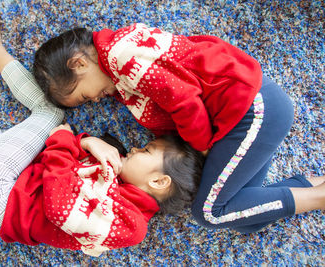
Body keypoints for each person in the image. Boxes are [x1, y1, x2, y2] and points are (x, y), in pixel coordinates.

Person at [0, 4, 204, 256]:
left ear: (158, 181)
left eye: (146, 150)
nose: (134, 148)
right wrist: (87, 142)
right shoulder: (118, 185)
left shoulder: (131, 225)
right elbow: (70, 173)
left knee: (52, 115)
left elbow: (59, 205)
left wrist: (65, 140)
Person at [32, 23, 325, 233]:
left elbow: (184, 100)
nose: (95, 99)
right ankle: (316, 185)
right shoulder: (121, 76)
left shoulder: (123, 55)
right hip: (243, 118)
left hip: (250, 109)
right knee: (247, 217)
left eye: (85, 95)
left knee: (210, 213)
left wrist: (201, 147)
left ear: (79, 63)